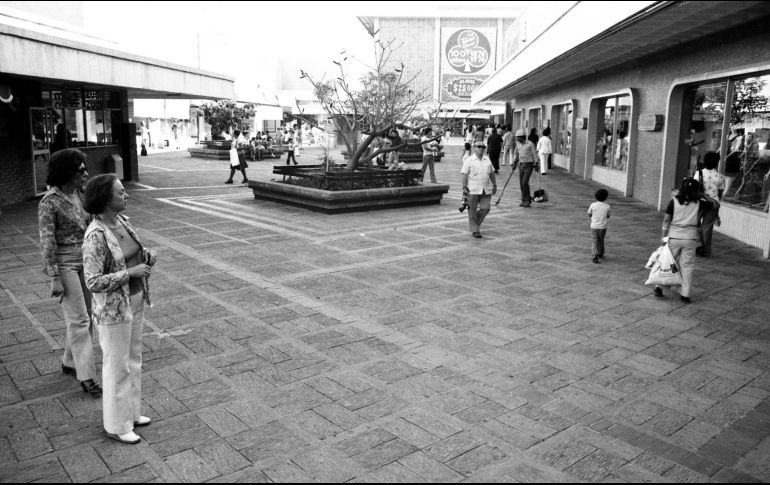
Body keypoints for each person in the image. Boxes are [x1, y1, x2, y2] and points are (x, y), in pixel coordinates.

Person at [82, 173, 157, 445]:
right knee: (117, 366)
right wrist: (129, 272)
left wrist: (146, 255)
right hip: (113, 311)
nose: (126, 195)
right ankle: (117, 424)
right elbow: (92, 281)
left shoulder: (123, 222)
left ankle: (132, 413)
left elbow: (131, 252)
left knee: (134, 359)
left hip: (135, 300)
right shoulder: (95, 234)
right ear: (105, 198)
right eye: (120, 192)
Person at [37, 149, 101, 397]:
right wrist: (54, 277)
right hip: (65, 264)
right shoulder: (49, 202)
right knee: (80, 320)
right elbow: (47, 242)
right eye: (81, 169)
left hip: (87, 259)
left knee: (85, 316)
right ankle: (87, 376)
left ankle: (69, 361)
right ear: (67, 172)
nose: (86, 172)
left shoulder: (80, 194)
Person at [654, 177, 714, 303]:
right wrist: (704, 195)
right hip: (690, 238)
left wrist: (663, 236)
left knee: (667, 262)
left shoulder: (674, 202)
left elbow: (666, 220)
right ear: (696, 191)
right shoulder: (699, 203)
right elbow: (715, 204)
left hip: (674, 237)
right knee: (687, 266)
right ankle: (685, 294)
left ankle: (659, 287)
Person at [461, 141, 497, 238]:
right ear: (474, 148)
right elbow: (464, 174)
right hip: (472, 189)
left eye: (483, 147)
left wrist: (494, 184)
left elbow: (491, 173)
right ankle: (475, 230)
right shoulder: (469, 160)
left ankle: (474, 224)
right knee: (472, 211)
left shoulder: (487, 159)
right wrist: (464, 187)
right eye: (479, 146)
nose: (481, 148)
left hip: (485, 189)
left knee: (486, 208)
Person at [693, 151, 725, 257]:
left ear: (705, 161)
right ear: (717, 162)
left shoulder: (699, 173)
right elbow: (720, 193)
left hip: (700, 202)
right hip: (713, 204)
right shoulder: (720, 177)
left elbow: (695, 189)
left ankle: (697, 247)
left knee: (694, 224)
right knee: (707, 227)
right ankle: (705, 251)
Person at [511, 128, 539, 208]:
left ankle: (528, 200)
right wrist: (514, 163)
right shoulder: (517, 144)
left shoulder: (530, 144)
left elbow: (534, 154)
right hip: (521, 165)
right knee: (521, 184)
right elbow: (516, 154)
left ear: (522, 137)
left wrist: (536, 163)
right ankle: (524, 199)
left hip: (529, 165)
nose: (516, 138)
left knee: (525, 183)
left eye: (517, 137)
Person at [588, 189, 611, 263]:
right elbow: (608, 215)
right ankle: (600, 253)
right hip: (602, 227)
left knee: (594, 240)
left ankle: (594, 255)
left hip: (594, 226)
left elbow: (589, 213)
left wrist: (592, 216)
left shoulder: (593, 205)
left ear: (596, 196)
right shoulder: (607, 206)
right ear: (606, 197)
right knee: (601, 240)